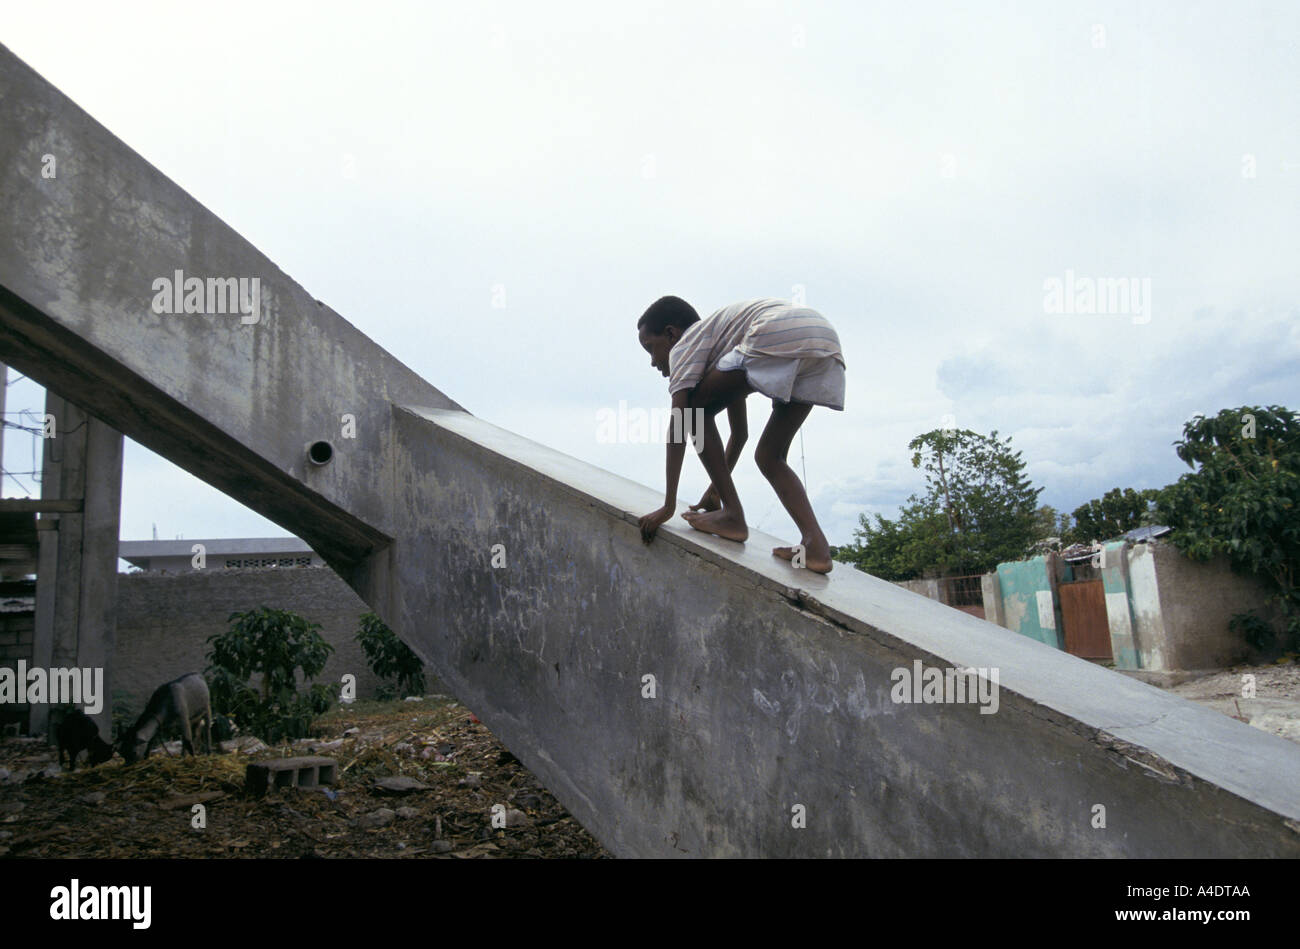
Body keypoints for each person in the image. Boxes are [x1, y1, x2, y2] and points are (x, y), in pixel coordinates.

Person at [635, 295, 845, 574]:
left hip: (776, 331)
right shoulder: (723, 350)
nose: (652, 362)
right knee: (770, 456)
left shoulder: (685, 345)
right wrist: (714, 493)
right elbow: (740, 433)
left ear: (671, 334)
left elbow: (680, 423)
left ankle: (733, 516)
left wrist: (668, 506)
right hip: (823, 341)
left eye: (651, 348)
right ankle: (816, 547)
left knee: (694, 409)